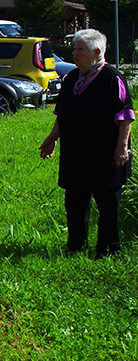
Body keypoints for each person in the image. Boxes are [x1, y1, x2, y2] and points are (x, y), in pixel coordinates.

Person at [39, 29, 133, 256]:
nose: (74, 53)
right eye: (74, 48)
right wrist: (52, 138)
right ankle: (76, 245)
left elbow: (126, 115)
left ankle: (108, 250)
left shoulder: (112, 78)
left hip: (105, 154)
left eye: (80, 49)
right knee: (75, 202)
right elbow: (63, 113)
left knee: (108, 204)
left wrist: (122, 147)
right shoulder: (72, 78)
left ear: (96, 52)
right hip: (75, 153)